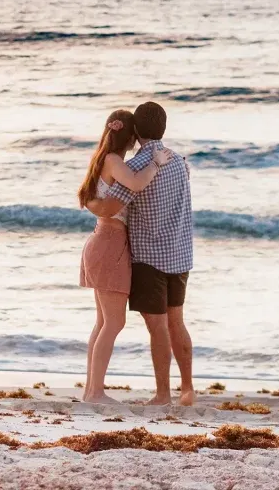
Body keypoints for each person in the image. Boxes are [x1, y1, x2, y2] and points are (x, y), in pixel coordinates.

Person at [87, 101, 195, 406]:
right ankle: (187, 389)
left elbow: (110, 207)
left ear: (136, 130)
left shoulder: (134, 167)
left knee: (157, 327)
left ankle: (163, 395)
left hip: (149, 256)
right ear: (163, 127)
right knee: (178, 323)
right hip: (180, 254)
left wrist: (89, 203)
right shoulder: (178, 161)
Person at [77, 109, 171, 404]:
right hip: (110, 244)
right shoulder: (114, 161)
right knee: (113, 323)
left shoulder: (101, 159)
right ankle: (95, 392)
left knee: (103, 322)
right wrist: (155, 163)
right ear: (130, 136)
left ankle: (91, 390)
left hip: (102, 240)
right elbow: (137, 183)